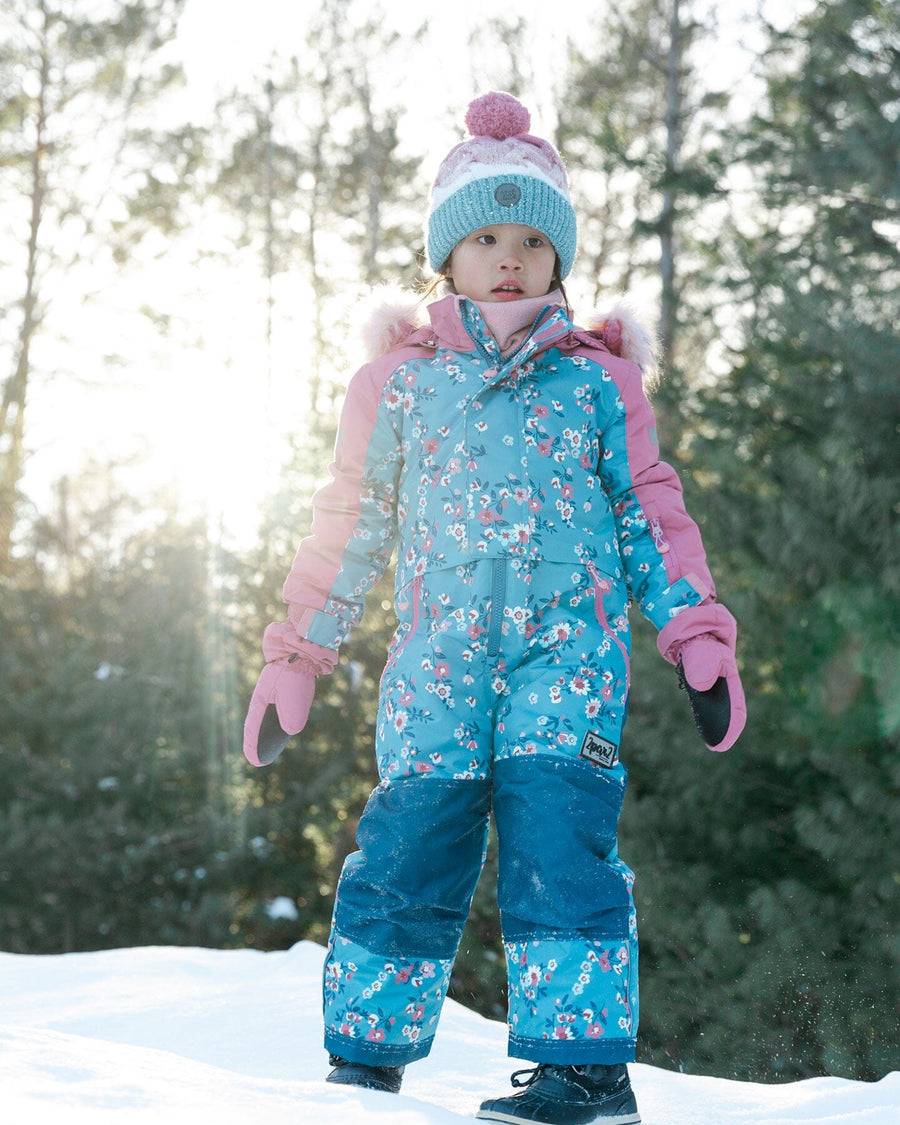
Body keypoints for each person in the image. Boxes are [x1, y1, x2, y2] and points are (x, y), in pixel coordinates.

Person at [242, 91, 746, 1125]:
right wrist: (298, 652)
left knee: (559, 838)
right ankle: (364, 1072)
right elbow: (351, 520)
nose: (508, 258)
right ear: (446, 255)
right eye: (484, 237)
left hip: (570, 655)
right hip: (438, 664)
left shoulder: (599, 382)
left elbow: (652, 510)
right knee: (408, 842)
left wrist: (695, 630)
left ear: (559, 259)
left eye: (530, 239)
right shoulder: (398, 384)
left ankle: (583, 1072)